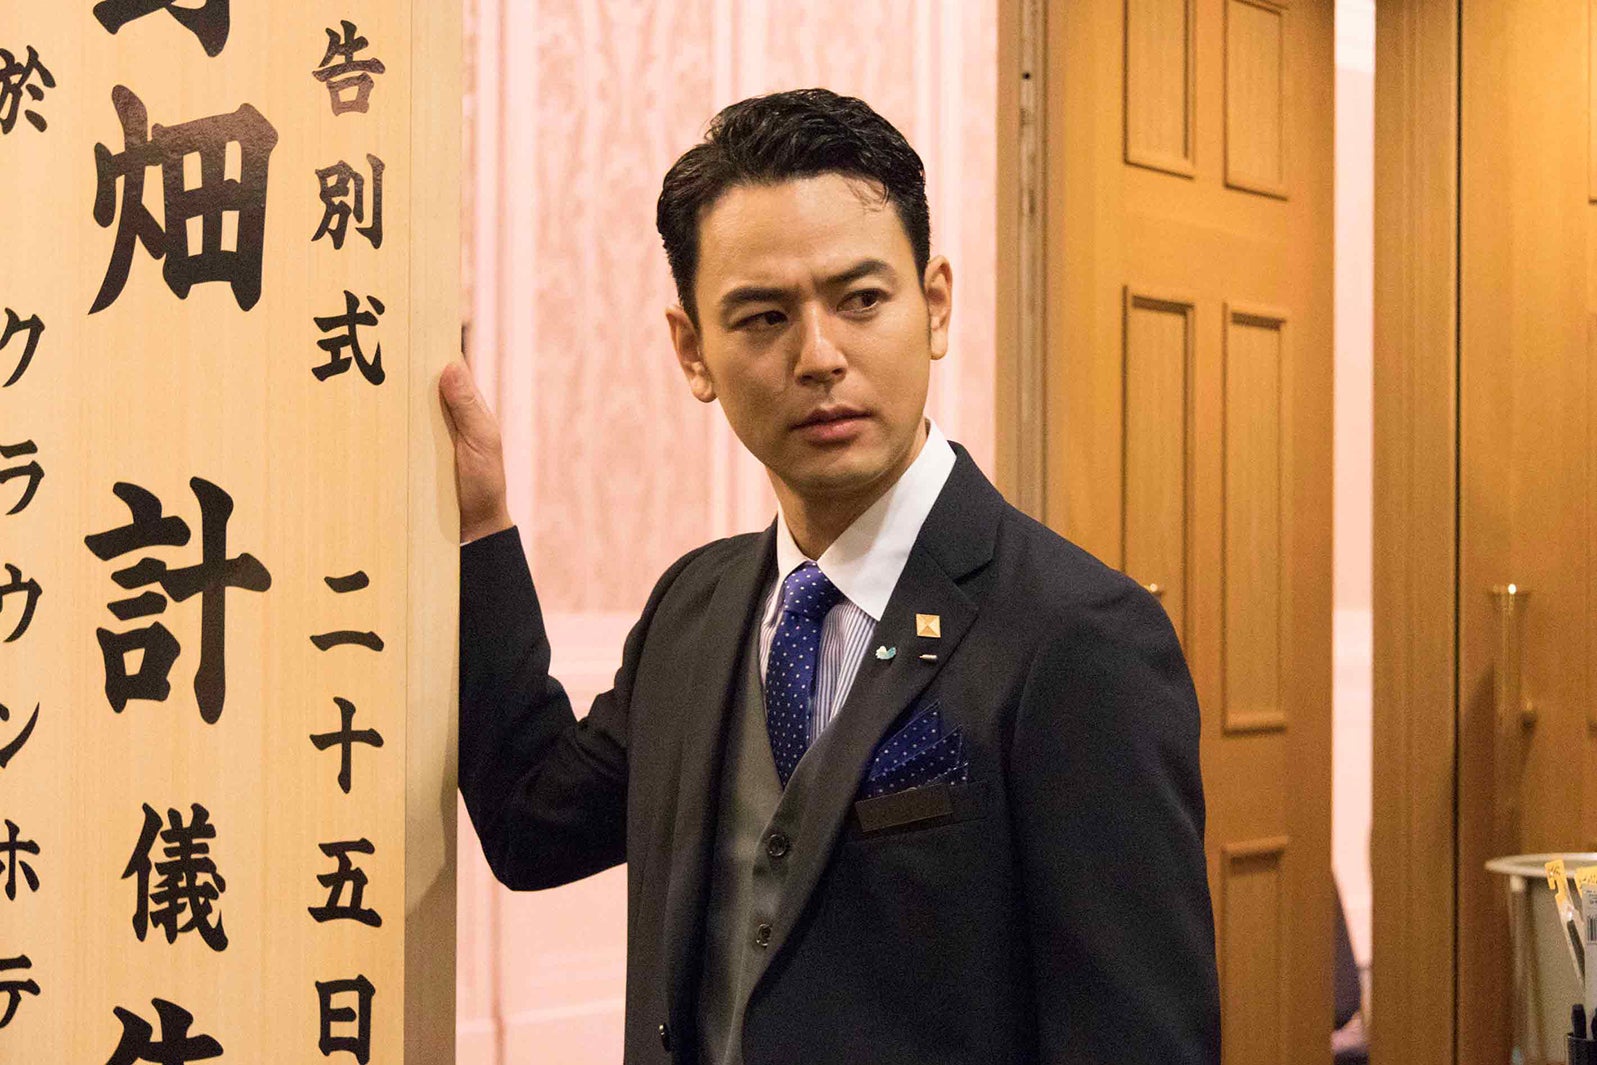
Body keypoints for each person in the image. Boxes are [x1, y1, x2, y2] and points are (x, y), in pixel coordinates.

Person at [441, 87, 1220, 1065]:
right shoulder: (695, 607)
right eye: (762, 316)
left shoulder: (1078, 634)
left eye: (861, 301)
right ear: (692, 351)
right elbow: (531, 827)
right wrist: (479, 527)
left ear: (934, 305)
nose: (818, 356)